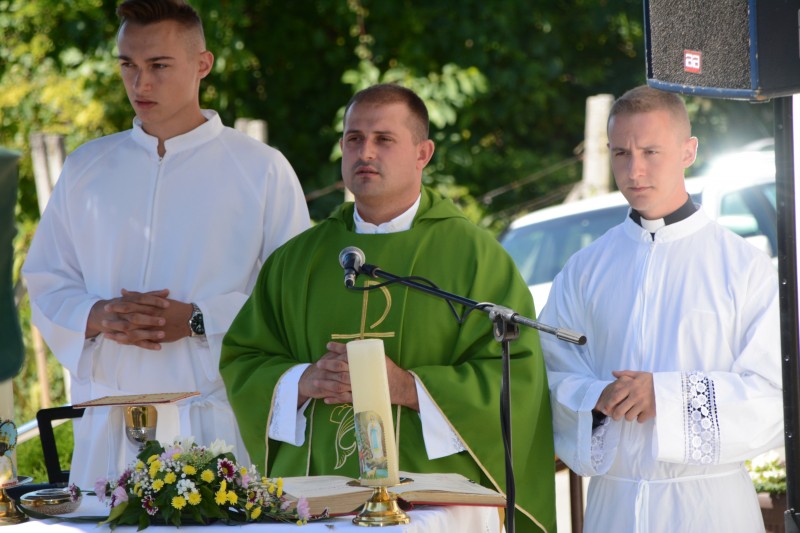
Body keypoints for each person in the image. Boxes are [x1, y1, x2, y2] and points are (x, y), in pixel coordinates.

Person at [220, 83, 556, 532]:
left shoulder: (473, 256)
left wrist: (408, 387)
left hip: (430, 500)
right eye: (354, 139)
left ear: (423, 153)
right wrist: (304, 380)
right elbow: (245, 359)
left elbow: (515, 376)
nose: (366, 152)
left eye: (384, 139)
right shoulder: (298, 260)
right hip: (318, 496)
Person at [22, 0, 310, 488]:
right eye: (128, 65)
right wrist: (98, 315)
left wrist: (199, 319)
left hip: (215, 426)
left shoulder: (260, 169)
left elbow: (295, 298)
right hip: (108, 427)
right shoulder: (87, 167)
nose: (140, 84)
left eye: (158, 65)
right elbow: (48, 280)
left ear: (203, 64)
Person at [539, 85, 783, 532]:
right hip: (614, 507)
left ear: (688, 150)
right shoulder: (584, 270)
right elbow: (550, 371)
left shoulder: (744, 267)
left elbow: (772, 394)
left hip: (709, 507)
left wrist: (667, 398)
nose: (635, 170)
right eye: (620, 154)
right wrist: (595, 399)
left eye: (651, 151)